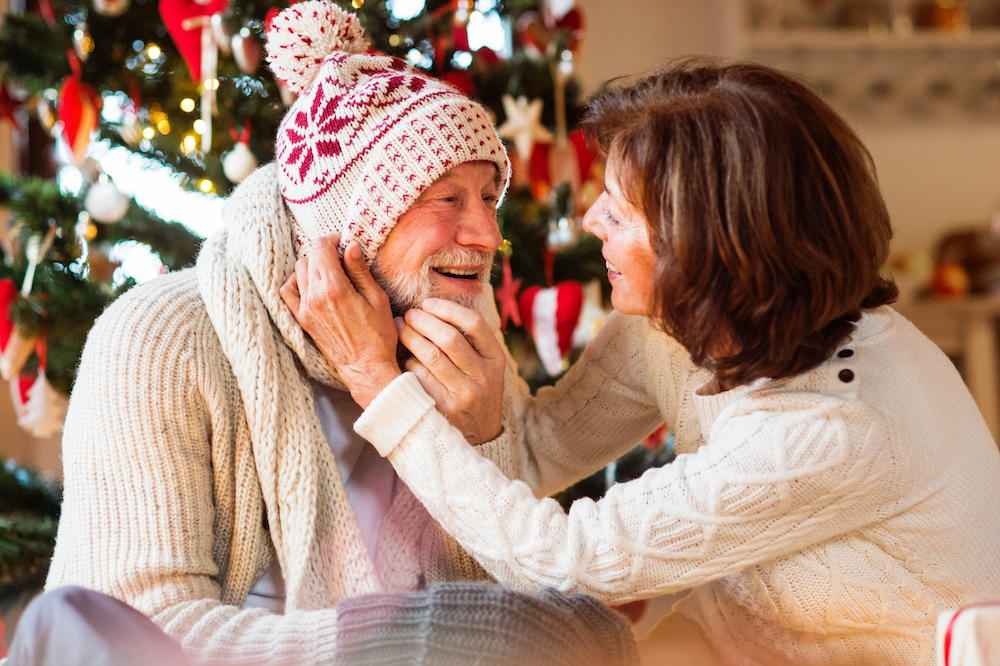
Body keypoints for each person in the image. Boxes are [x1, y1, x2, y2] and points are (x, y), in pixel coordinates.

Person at [285, 59, 1000, 666]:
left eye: (620, 213)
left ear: (703, 250)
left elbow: (556, 561)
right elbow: (541, 450)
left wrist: (377, 383)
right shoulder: (678, 323)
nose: (592, 220)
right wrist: (480, 402)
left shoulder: (830, 429)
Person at [28, 3, 639, 665]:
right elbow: (131, 636)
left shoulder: (460, 341)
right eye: (447, 199)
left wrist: (484, 437)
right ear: (351, 220)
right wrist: (409, 639)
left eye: (488, 197)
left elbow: (508, 594)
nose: (488, 235)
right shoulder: (160, 338)